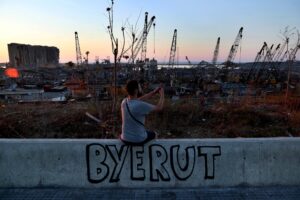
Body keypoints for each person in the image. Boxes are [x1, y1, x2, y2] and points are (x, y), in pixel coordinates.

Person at [120, 80, 164, 145]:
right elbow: (159, 107)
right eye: (139, 87)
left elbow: (139, 99)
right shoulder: (140, 105)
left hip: (125, 138)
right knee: (154, 134)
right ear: (136, 90)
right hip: (137, 139)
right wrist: (162, 94)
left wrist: (154, 92)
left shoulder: (124, 102)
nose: (140, 88)